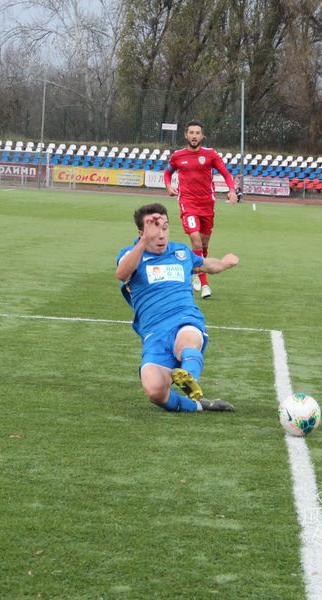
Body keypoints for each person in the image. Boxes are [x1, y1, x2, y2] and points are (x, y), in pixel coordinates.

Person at [116, 202, 239, 412]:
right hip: (154, 333)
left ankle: (189, 376)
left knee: (186, 343)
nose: (162, 235)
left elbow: (209, 265)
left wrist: (226, 262)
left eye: (165, 227)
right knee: (155, 392)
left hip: (185, 319)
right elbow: (122, 273)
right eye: (155, 229)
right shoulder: (131, 255)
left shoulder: (180, 252)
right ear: (141, 232)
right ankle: (198, 405)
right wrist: (145, 240)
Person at [164, 120, 239, 300]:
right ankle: (204, 282)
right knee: (196, 241)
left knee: (203, 245)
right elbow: (167, 173)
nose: (194, 136)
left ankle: (196, 267)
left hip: (207, 205)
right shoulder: (177, 156)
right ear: (186, 135)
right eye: (191, 132)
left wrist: (231, 190)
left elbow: (226, 174)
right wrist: (168, 186)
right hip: (188, 203)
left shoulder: (210, 155)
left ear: (202, 136)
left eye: (198, 133)